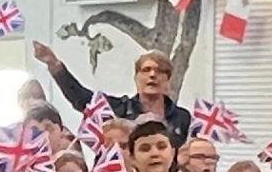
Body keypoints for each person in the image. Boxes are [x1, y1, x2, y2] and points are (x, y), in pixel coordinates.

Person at [42, 43, 194, 143]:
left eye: (160, 71)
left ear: (168, 80)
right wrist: (55, 66)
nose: (152, 75)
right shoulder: (118, 109)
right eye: (146, 70)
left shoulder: (182, 117)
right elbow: (80, 98)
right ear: (136, 78)